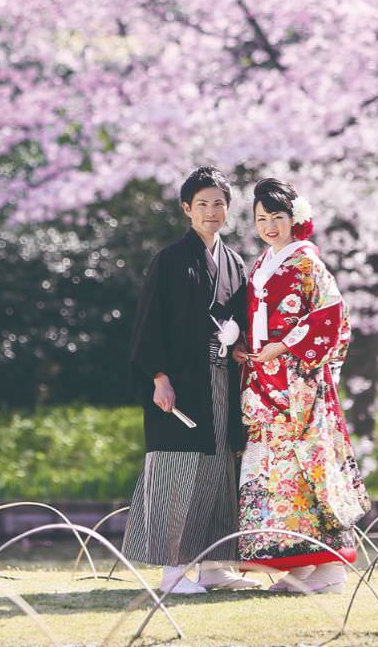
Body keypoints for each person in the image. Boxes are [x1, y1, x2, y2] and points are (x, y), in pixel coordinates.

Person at [122, 166, 261, 594]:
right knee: (177, 468)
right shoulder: (170, 260)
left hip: (221, 381)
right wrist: (159, 378)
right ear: (187, 209)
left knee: (221, 468)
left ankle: (215, 564)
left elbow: (239, 320)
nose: (211, 211)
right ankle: (172, 571)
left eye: (219, 203)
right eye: (202, 204)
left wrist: (239, 349)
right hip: (179, 383)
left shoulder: (234, 262)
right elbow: (149, 325)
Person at [234, 178, 371, 593]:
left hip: (300, 385)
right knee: (273, 472)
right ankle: (299, 563)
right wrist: (247, 346)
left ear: (295, 219)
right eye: (262, 218)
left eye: (278, 217)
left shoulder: (308, 262)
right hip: (265, 381)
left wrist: (285, 345)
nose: (270, 225)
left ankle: (329, 566)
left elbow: (332, 317)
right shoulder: (263, 262)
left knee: (305, 468)